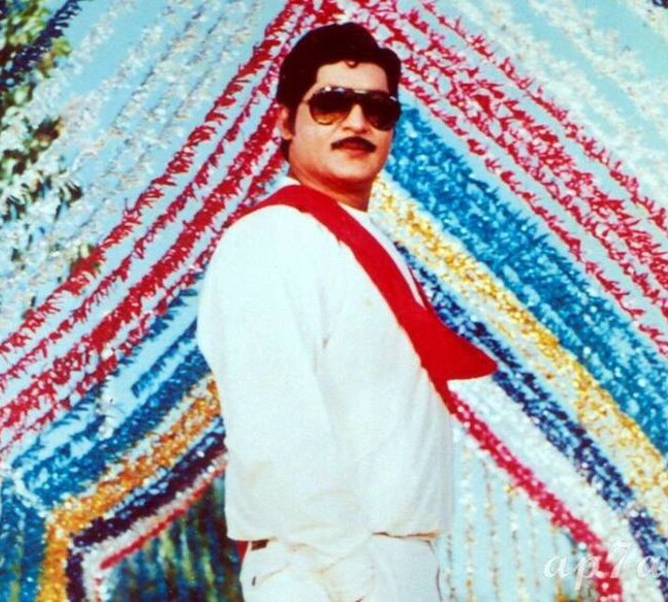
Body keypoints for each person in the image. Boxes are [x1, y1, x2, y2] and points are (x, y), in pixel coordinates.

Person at [196, 22, 494, 602]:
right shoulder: (272, 237)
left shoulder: (361, 240)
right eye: (331, 104)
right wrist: (354, 581)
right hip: (330, 572)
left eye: (379, 110)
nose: (357, 122)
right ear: (285, 121)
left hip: (394, 563)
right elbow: (278, 428)